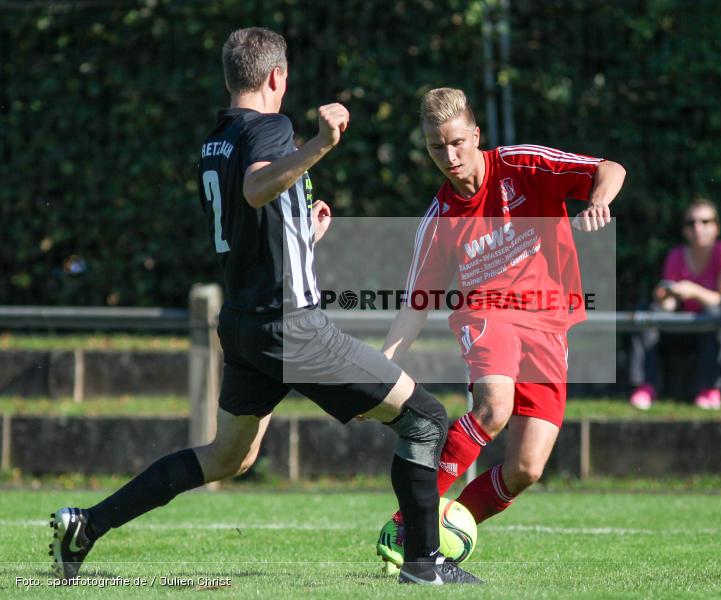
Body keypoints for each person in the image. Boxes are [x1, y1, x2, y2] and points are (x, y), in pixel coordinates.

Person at [49, 28, 480, 586]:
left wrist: (303, 234)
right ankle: (424, 564)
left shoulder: (218, 139)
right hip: (292, 328)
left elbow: (249, 225)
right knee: (426, 420)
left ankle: (86, 526)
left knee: (228, 458)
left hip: (246, 325)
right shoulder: (271, 127)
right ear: (277, 76)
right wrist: (320, 143)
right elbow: (256, 190)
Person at [375, 87, 626, 570]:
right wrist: (381, 371)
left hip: (550, 324)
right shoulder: (439, 220)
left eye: (456, 143)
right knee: (493, 408)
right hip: (487, 314)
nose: (449, 157)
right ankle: (410, 523)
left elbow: (610, 169)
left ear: (476, 135)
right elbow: (415, 305)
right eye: (436, 147)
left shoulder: (521, 165)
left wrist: (597, 201)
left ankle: (441, 533)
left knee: (526, 467)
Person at [629, 199, 721, 410]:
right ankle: (645, 386)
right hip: (682, 326)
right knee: (648, 313)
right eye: (691, 223)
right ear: (685, 230)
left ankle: (710, 389)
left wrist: (694, 291)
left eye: (705, 222)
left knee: (714, 313)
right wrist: (664, 297)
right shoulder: (676, 255)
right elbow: (670, 305)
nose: (698, 228)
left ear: (716, 227)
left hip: (712, 328)